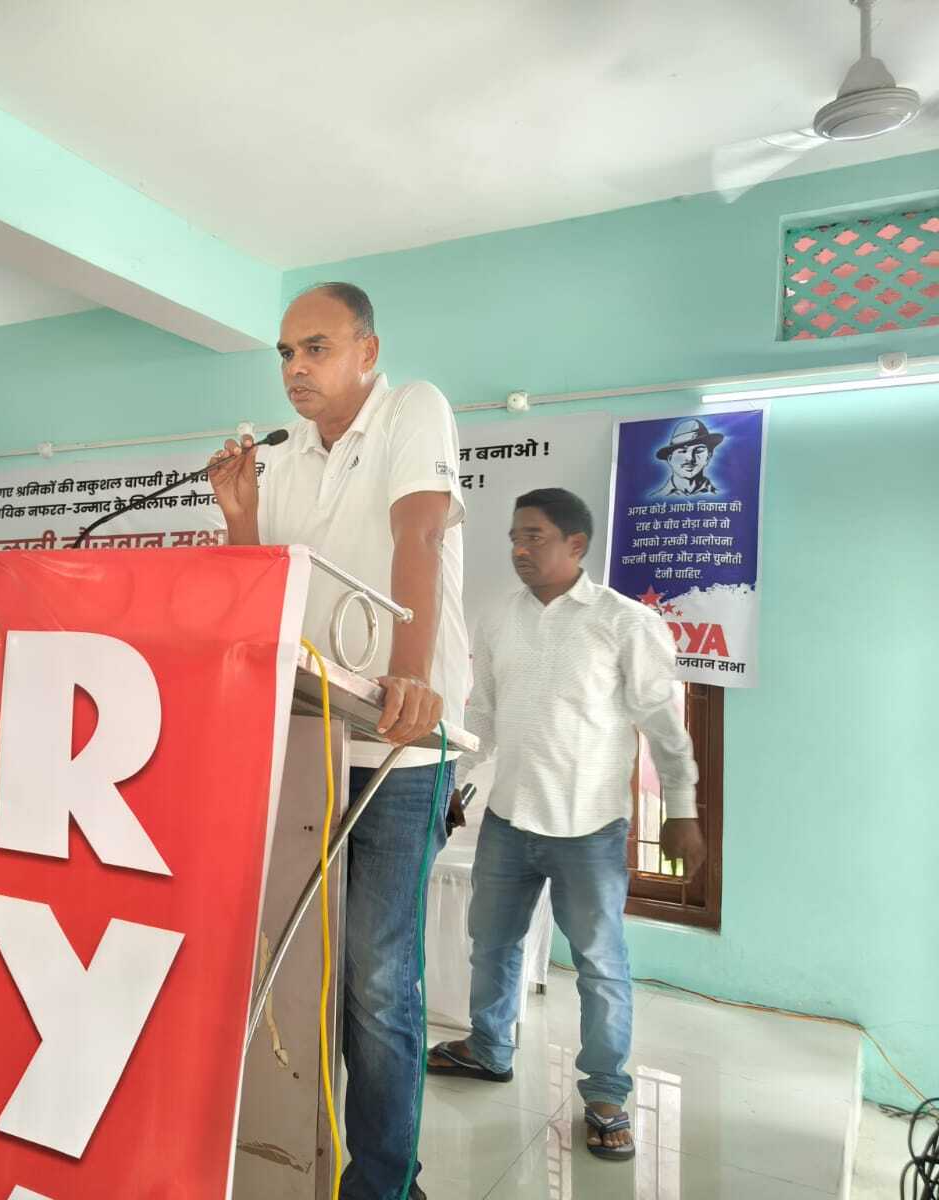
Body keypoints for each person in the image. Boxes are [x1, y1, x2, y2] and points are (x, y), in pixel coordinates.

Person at [208, 282, 466, 1200]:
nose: (295, 368)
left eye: (315, 348)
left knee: (378, 980)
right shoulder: (280, 458)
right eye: (285, 353)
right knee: (294, 969)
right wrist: (241, 518)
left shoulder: (412, 409)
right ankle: (296, 1159)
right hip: (303, 742)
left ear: (367, 351)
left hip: (396, 745)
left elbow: (418, 534)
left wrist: (411, 673)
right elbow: (261, 595)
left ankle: (384, 1183)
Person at [427, 489, 704, 1162]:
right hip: (509, 819)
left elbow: (664, 727)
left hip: (590, 828)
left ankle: (605, 1095)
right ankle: (489, 1048)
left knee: (600, 965)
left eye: (535, 537)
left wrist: (682, 809)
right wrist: (456, 779)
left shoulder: (625, 622)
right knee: (492, 943)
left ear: (576, 545)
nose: (520, 549)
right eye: (515, 537)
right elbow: (484, 715)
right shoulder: (499, 618)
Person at [655, 417, 723, 496]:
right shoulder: (656, 498)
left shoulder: (721, 496)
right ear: (670, 459)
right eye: (683, 451)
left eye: (698, 451)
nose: (690, 458)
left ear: (708, 457)